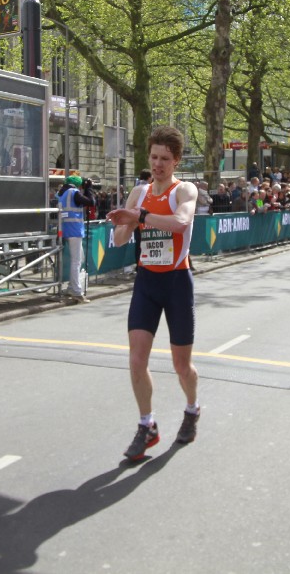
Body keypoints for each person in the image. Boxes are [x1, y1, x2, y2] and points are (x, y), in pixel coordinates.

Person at [108, 126, 200, 460]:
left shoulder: (184, 190)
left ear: (176, 161)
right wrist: (128, 222)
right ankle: (146, 424)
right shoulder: (139, 193)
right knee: (136, 359)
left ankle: (192, 408)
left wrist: (142, 216)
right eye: (153, 157)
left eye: (164, 159)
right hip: (147, 281)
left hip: (177, 282)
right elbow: (120, 239)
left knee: (181, 364)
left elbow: (180, 223)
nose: (158, 164)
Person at [57, 174, 95, 301]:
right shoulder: (74, 192)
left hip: (66, 229)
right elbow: (91, 202)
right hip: (74, 230)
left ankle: (71, 286)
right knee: (76, 261)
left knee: (79, 258)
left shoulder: (63, 193)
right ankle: (76, 291)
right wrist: (89, 188)